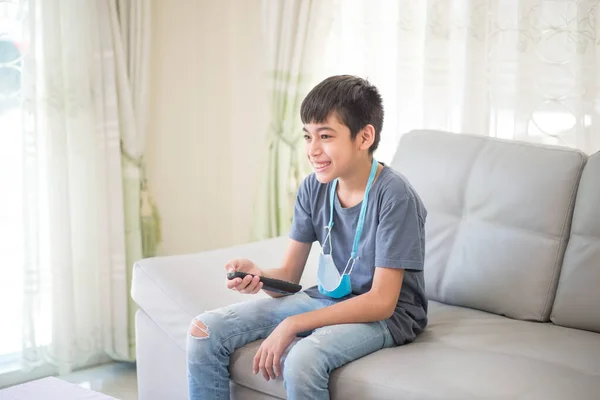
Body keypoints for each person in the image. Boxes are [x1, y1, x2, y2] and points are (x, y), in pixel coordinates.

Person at [187, 75, 428, 400]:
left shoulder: (395, 197)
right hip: (328, 297)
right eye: (307, 136)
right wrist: (260, 276)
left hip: (388, 315)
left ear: (365, 137)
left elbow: (382, 302)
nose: (313, 150)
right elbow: (288, 275)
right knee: (204, 332)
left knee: (302, 360)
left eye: (325, 136)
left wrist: (293, 324)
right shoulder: (314, 188)